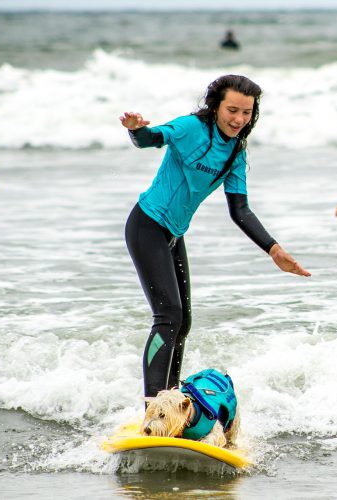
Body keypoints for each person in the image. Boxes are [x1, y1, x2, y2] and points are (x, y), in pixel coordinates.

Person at [121, 74, 310, 400]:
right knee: (168, 315)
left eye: (247, 113)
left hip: (173, 234)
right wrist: (136, 129)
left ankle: (171, 397)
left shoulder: (235, 151)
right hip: (147, 226)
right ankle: (154, 405)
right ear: (216, 106)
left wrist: (273, 249)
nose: (239, 120)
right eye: (232, 110)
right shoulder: (191, 128)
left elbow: (240, 210)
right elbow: (150, 139)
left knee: (183, 321)